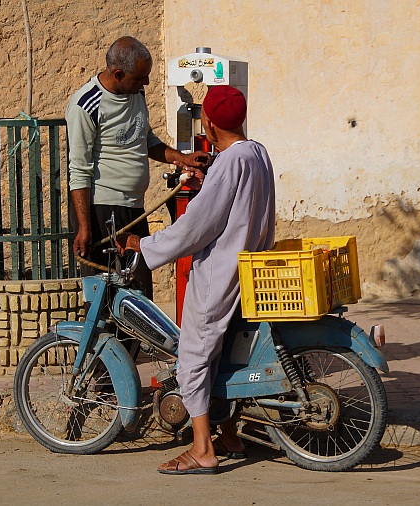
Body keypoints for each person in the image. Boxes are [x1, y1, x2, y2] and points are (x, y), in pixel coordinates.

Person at [117, 85, 276, 474]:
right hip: (250, 264)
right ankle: (230, 434)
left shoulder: (228, 164)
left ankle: (203, 448)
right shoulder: (257, 152)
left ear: (207, 121)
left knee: (194, 356)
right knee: (225, 355)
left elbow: (195, 228)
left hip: (221, 271)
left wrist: (145, 244)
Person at [66, 36, 209, 298]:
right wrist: (84, 227)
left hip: (134, 209)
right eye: (141, 77)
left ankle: (134, 342)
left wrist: (183, 158)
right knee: (106, 296)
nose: (146, 83)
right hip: (102, 211)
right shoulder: (86, 105)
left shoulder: (136, 93)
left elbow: (146, 140)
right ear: (118, 74)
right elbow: (79, 170)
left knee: (139, 293)